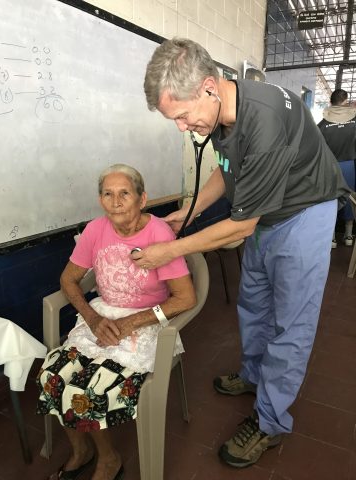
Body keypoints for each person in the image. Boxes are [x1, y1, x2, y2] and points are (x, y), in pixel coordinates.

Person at [131, 38, 351, 468]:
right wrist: (190, 211)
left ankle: (269, 422)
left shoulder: (264, 118)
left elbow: (242, 224)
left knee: (291, 323)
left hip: (305, 212)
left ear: (209, 87)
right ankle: (253, 376)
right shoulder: (219, 110)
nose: (181, 126)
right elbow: (227, 170)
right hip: (266, 213)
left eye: (181, 116)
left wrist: (170, 250)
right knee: (253, 303)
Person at [36, 163, 196, 480]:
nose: (116, 201)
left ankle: (109, 460)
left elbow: (185, 298)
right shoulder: (96, 230)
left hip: (147, 322)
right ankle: (83, 451)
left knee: (88, 391)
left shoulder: (159, 234)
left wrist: (132, 323)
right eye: (108, 194)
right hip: (103, 316)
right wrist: (93, 318)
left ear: (142, 198)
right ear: (100, 200)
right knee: (51, 375)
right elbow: (68, 281)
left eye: (125, 193)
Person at [318, 89, 356, 247]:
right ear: (345, 102)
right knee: (349, 198)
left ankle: (331, 237)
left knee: (330, 199)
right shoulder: (354, 122)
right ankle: (348, 235)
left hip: (329, 166)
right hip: (349, 165)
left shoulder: (322, 124)